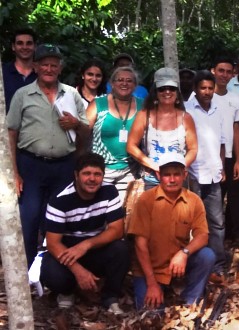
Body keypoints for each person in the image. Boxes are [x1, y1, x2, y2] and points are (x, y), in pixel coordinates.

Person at [8, 44, 90, 265]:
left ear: (60, 68)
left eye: (54, 65)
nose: (49, 69)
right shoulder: (22, 94)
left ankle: (51, 270)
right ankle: (27, 270)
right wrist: (14, 172)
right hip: (31, 164)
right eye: (44, 64)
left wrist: (75, 123)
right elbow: (11, 132)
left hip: (64, 165)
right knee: (29, 218)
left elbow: (86, 130)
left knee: (58, 220)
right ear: (36, 66)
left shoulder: (71, 94)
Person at [40, 153, 128, 314]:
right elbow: (52, 243)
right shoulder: (60, 199)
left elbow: (117, 230)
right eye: (86, 173)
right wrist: (78, 270)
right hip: (67, 251)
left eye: (97, 174)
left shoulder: (109, 190)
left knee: (121, 249)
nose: (92, 179)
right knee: (50, 271)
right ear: (76, 175)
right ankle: (66, 292)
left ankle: (110, 297)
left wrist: (86, 245)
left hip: (94, 246)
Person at [128, 152, 215, 311]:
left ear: (184, 175)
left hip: (176, 266)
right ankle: (156, 288)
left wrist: (184, 253)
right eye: (167, 175)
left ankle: (190, 300)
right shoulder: (146, 200)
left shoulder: (194, 200)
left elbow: (203, 236)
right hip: (149, 270)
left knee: (207, 255)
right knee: (152, 316)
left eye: (177, 174)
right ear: (158, 175)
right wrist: (151, 283)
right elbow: (140, 245)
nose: (172, 179)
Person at [184, 70, 228, 282]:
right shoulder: (186, 110)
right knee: (191, 223)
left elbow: (221, 141)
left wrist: (221, 166)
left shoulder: (219, 110)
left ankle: (218, 265)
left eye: (210, 88)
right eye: (203, 88)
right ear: (195, 89)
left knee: (217, 222)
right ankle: (194, 264)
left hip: (213, 174)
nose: (207, 92)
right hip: (193, 174)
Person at [126, 67, 198, 190]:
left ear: (177, 91)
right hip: (152, 180)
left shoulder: (186, 118)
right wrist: (155, 167)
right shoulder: (144, 115)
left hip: (178, 180)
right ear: (155, 92)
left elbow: (193, 149)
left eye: (171, 88)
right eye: (162, 89)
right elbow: (131, 146)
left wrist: (179, 169)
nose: (167, 92)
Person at [86, 66, 144, 201]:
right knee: (99, 212)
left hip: (130, 171)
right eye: (120, 80)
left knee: (125, 213)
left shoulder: (142, 106)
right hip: (100, 170)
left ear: (135, 85)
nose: (124, 83)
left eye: (129, 81)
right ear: (112, 83)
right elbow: (83, 133)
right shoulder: (99, 104)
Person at [210, 56, 239, 244]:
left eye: (228, 71)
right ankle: (212, 236)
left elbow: (236, 130)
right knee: (213, 196)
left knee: (234, 196)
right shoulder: (202, 94)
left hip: (230, 156)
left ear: (233, 74)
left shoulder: (234, 99)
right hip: (209, 156)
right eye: (220, 70)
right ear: (213, 71)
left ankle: (234, 235)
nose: (224, 75)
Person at [2, 28, 37, 112]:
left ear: (35, 46)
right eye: (20, 43)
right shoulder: (3, 72)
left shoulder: (44, 73)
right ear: (13, 47)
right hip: (6, 124)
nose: (24, 47)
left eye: (29, 43)